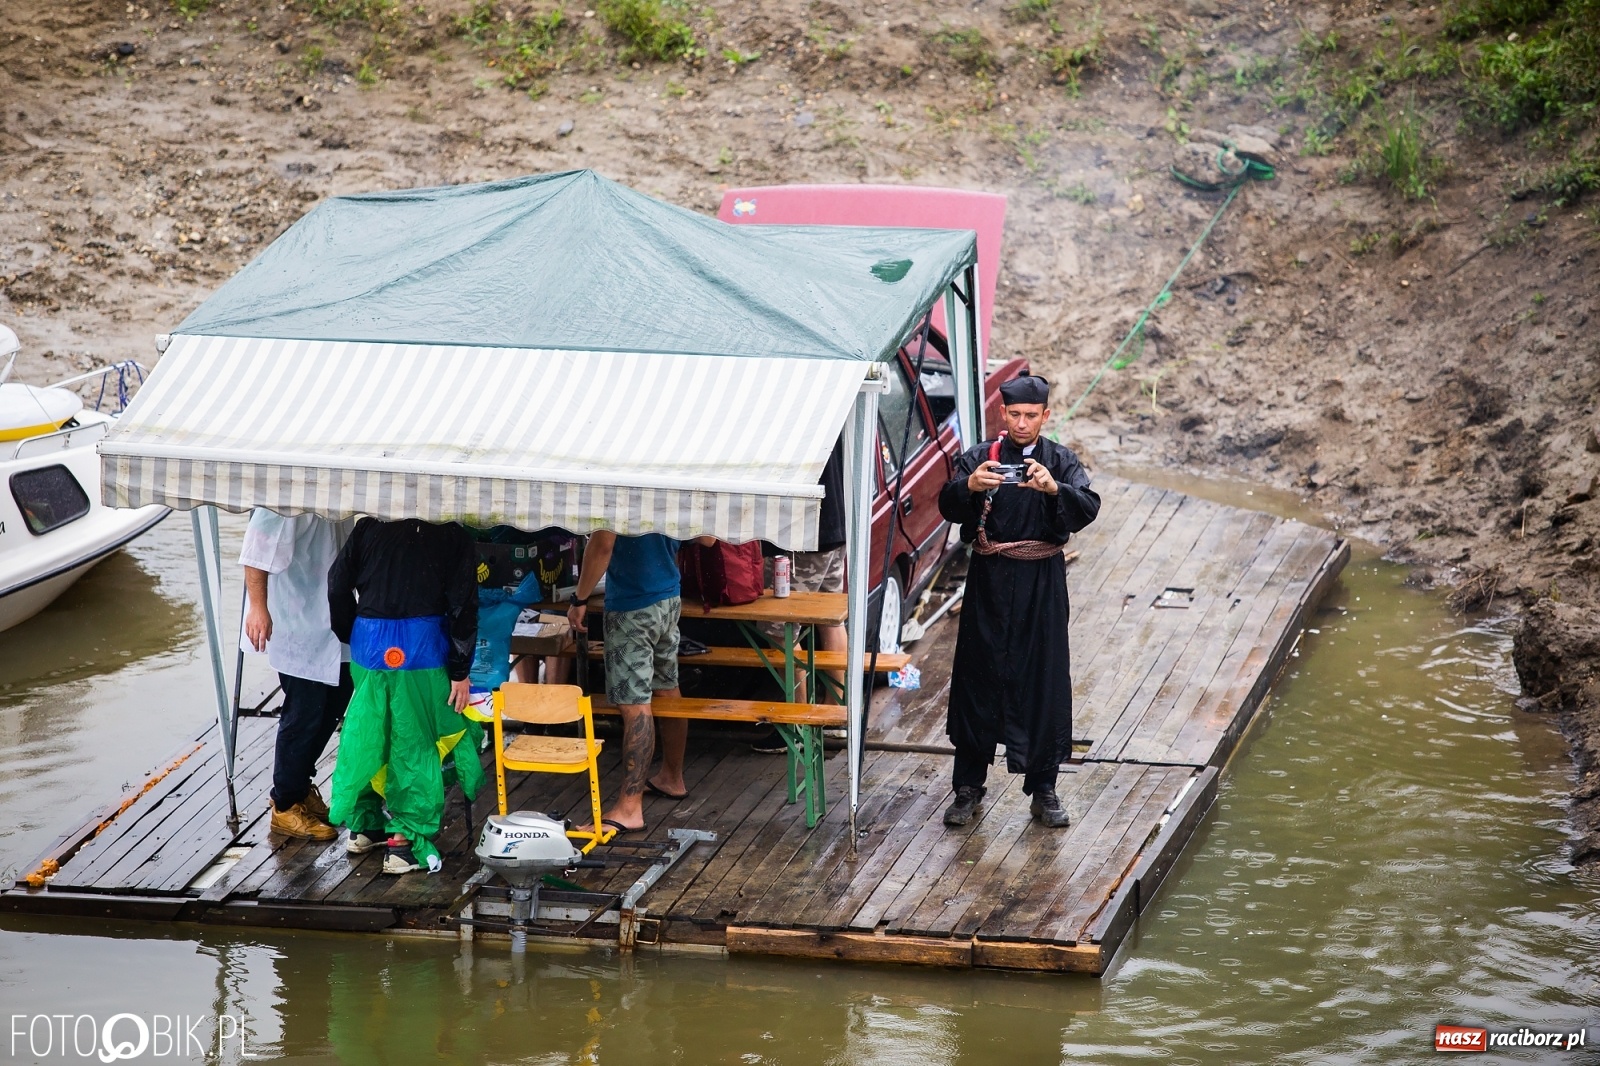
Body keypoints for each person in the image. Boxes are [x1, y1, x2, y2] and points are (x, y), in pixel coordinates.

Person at [936, 374, 1101, 829]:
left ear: (1046, 416)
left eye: (1031, 415)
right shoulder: (979, 458)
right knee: (977, 677)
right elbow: (947, 505)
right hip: (989, 582)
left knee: (1042, 679)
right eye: (1015, 415)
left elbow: (1088, 507)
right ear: (1003, 414)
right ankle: (967, 787)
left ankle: (1044, 789)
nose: (1023, 423)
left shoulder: (1060, 461)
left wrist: (1054, 490)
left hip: (1042, 586)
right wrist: (970, 486)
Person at [327, 517, 480, 874]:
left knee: (369, 730)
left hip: (368, 643)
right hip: (420, 647)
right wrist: (460, 670)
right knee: (414, 740)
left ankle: (364, 823)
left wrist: (351, 631)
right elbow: (463, 605)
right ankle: (404, 841)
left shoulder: (369, 527)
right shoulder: (452, 533)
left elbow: (337, 584)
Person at [567, 530, 703, 832]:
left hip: (631, 604)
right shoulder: (670, 480)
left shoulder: (620, 482)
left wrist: (580, 598)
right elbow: (708, 538)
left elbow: (603, 544)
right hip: (668, 597)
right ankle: (672, 777)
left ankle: (629, 808)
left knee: (634, 704)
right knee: (666, 688)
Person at [240, 510, 354, 841]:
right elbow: (255, 550)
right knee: (304, 711)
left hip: (333, 615)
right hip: (295, 618)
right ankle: (285, 803)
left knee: (338, 696)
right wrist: (258, 607)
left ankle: (301, 786)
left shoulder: (340, 485)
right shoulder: (285, 491)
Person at [753, 437, 848, 751]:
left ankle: (796, 724)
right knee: (831, 620)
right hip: (835, 527)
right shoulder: (830, 400)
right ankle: (835, 715)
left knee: (780, 628)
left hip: (801, 537)